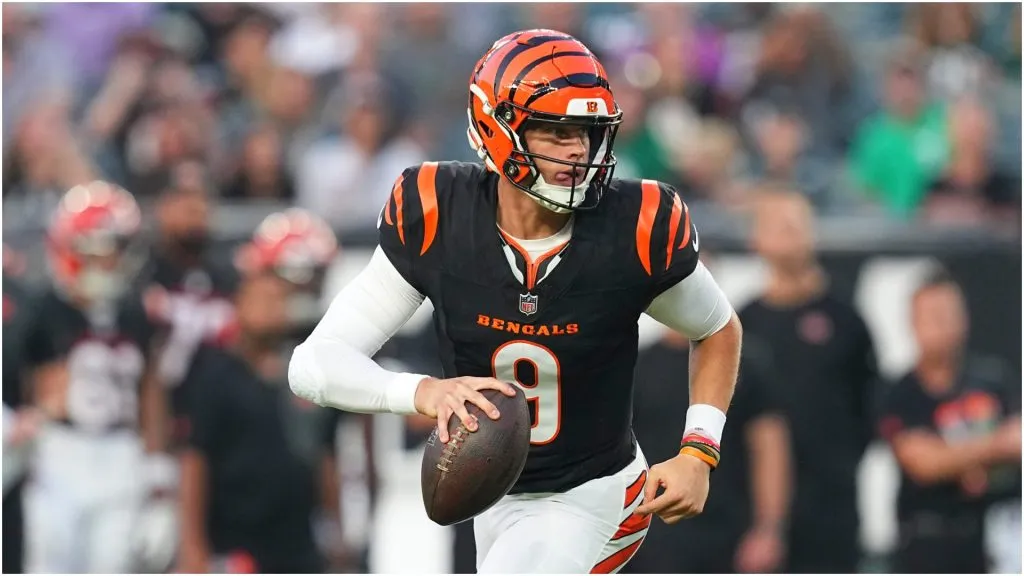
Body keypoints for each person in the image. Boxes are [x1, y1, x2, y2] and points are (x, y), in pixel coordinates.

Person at [289, 29, 742, 573]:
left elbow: (717, 328)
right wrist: (424, 393)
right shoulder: (439, 217)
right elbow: (314, 364)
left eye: (587, 132)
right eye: (556, 130)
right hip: (493, 500)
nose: (578, 150)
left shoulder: (636, 229)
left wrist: (699, 450)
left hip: (593, 494)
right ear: (495, 128)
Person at [176, 209, 351, 573]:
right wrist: (192, 545)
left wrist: (336, 530)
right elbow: (195, 461)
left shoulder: (317, 365)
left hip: (298, 541)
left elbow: (325, 456)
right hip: (234, 540)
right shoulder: (215, 368)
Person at [21, 182, 174, 573]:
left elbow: (150, 389)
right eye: (102, 249)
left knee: (113, 564)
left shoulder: (135, 313)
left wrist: (158, 473)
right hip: (60, 450)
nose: (111, 261)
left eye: (117, 249)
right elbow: (24, 383)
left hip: (121, 451)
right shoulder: (44, 311)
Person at [738, 185, 879, 572]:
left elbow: (867, 407)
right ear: (756, 239)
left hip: (831, 505)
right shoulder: (741, 325)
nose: (791, 233)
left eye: (798, 224)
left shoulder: (846, 321)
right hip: (754, 514)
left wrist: (842, 464)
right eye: (778, 224)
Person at [877, 271, 1021, 573]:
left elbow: (1017, 442)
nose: (942, 324)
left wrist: (953, 455)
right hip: (926, 541)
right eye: (932, 315)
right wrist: (992, 447)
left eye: (948, 313)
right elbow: (923, 463)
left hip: (992, 538)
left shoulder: (992, 380)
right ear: (912, 322)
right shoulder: (900, 393)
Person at [626, 327, 791, 574]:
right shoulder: (639, 364)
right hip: (652, 534)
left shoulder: (743, 360)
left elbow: (769, 448)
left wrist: (767, 529)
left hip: (728, 530)